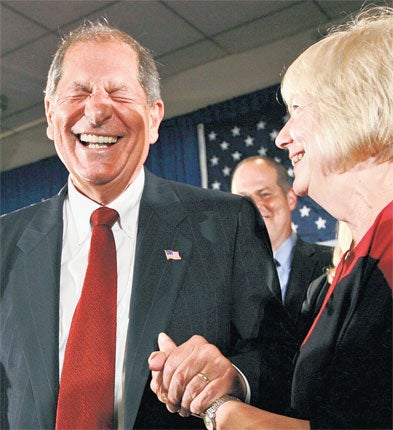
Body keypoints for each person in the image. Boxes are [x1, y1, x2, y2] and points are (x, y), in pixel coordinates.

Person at [0, 21, 298, 429]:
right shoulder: (5, 242)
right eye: (79, 92)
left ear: (155, 117)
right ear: (51, 116)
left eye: (119, 91)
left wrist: (234, 376)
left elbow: (281, 360)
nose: (97, 109)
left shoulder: (226, 224)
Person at [149, 6, 393, 429]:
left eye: (297, 109)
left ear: (357, 108)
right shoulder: (356, 260)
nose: (283, 136)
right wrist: (232, 378)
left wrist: (221, 411)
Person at [231, 156, 332, 339]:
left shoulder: (334, 262)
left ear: (291, 199)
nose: (255, 206)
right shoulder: (224, 275)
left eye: (265, 193)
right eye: (243, 199)